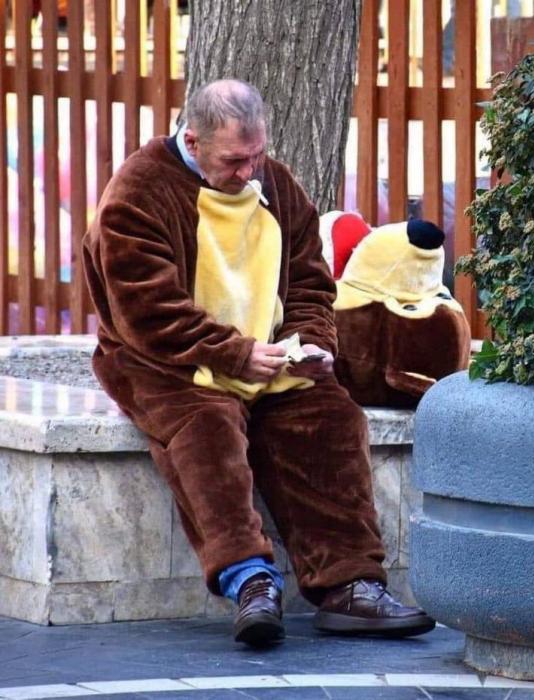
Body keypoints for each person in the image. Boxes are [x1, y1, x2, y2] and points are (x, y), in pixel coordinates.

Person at [83, 78, 435, 647]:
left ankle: (351, 584)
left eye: (257, 156)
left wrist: (310, 344)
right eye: (234, 161)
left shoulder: (277, 183)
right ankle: (249, 579)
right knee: (206, 425)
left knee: (330, 417)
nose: (250, 172)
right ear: (192, 142)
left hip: (268, 352)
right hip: (164, 361)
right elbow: (146, 311)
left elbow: (311, 282)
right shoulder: (137, 192)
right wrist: (236, 355)